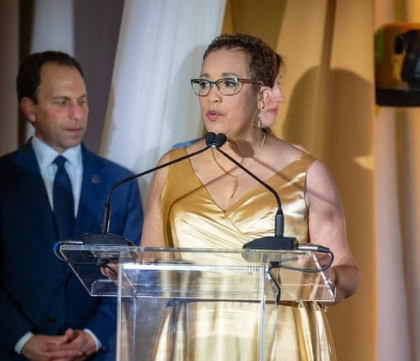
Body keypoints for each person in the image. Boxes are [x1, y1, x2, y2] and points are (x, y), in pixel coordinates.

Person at [140, 33, 360, 360]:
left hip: (278, 341)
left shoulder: (306, 173)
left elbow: (347, 272)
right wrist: (125, 268)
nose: (211, 97)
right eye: (204, 83)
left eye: (227, 84)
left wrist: (326, 277)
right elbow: (149, 262)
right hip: (193, 340)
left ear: (262, 96)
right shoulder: (172, 167)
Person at [0, 51, 143, 361]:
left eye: (83, 100)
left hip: (98, 354)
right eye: (62, 102)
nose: (78, 114)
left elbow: (135, 275)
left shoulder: (121, 185)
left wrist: (94, 336)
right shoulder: (3, 180)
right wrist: (21, 339)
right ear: (30, 109)